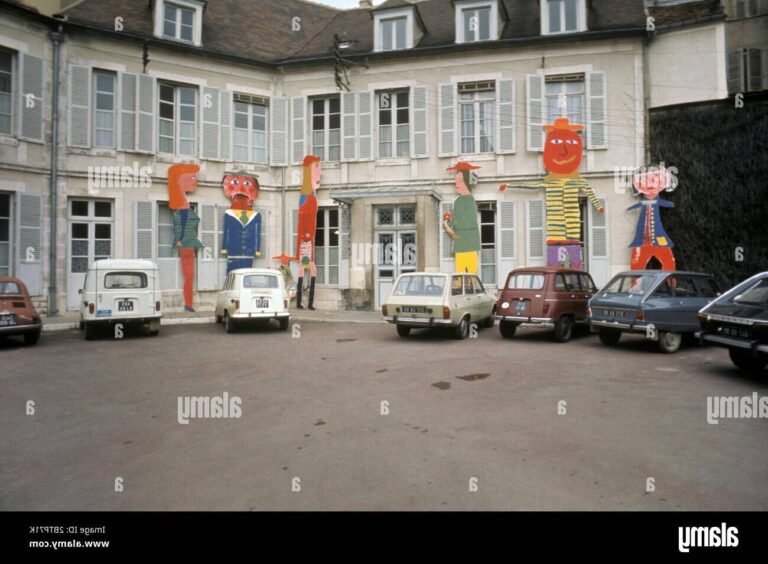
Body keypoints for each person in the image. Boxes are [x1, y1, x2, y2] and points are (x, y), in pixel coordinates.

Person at [168, 163, 203, 312]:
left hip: (187, 244)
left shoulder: (184, 204)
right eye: (193, 177)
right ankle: (188, 305)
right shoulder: (182, 208)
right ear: (181, 181)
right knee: (189, 276)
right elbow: (180, 226)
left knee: (189, 275)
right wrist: (180, 240)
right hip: (186, 245)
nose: (195, 180)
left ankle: (188, 304)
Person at [443, 162, 481, 275]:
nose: (456, 184)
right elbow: (456, 221)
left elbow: (457, 222)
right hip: (466, 244)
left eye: (459, 181)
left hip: (464, 244)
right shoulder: (465, 201)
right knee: (467, 276)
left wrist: (447, 225)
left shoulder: (462, 201)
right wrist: (448, 223)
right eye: (456, 181)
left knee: (463, 276)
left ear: (466, 181)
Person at [295, 155, 321, 309]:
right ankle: (302, 303)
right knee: (308, 272)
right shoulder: (307, 197)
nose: (319, 174)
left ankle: (304, 303)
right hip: (306, 245)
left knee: (309, 272)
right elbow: (303, 222)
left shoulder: (309, 197)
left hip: (308, 245)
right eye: (316, 168)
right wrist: (306, 238)